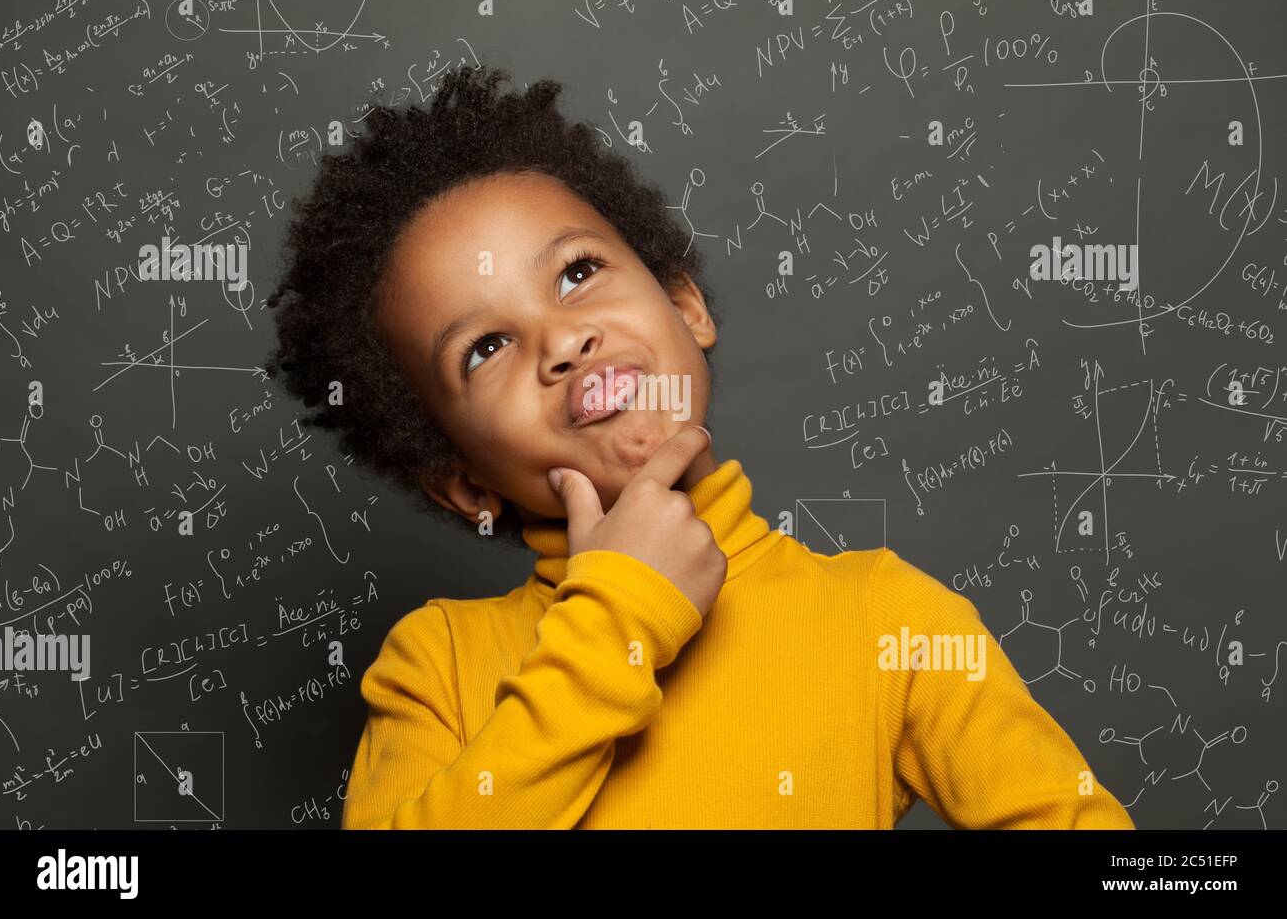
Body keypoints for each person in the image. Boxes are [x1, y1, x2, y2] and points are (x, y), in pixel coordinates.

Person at [265, 65, 1135, 830]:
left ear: (687, 307)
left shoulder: (887, 620)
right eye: (485, 348)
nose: (563, 344)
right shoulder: (436, 665)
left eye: (576, 274)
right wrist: (618, 619)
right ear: (461, 484)